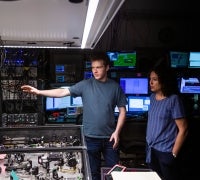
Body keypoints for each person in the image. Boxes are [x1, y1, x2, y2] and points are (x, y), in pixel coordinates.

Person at [21, 52, 127, 180]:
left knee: (115, 174)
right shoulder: (85, 85)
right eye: (93, 67)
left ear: (107, 68)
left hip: (110, 138)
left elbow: (122, 111)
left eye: (98, 67)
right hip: (90, 138)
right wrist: (39, 92)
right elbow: (62, 91)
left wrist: (117, 132)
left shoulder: (115, 88)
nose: (95, 70)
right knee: (92, 174)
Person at [146, 62, 188, 180]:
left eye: (155, 79)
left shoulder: (173, 99)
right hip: (151, 149)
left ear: (163, 81)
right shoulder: (152, 98)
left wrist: (173, 154)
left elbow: (183, 129)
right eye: (150, 79)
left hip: (166, 152)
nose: (151, 82)